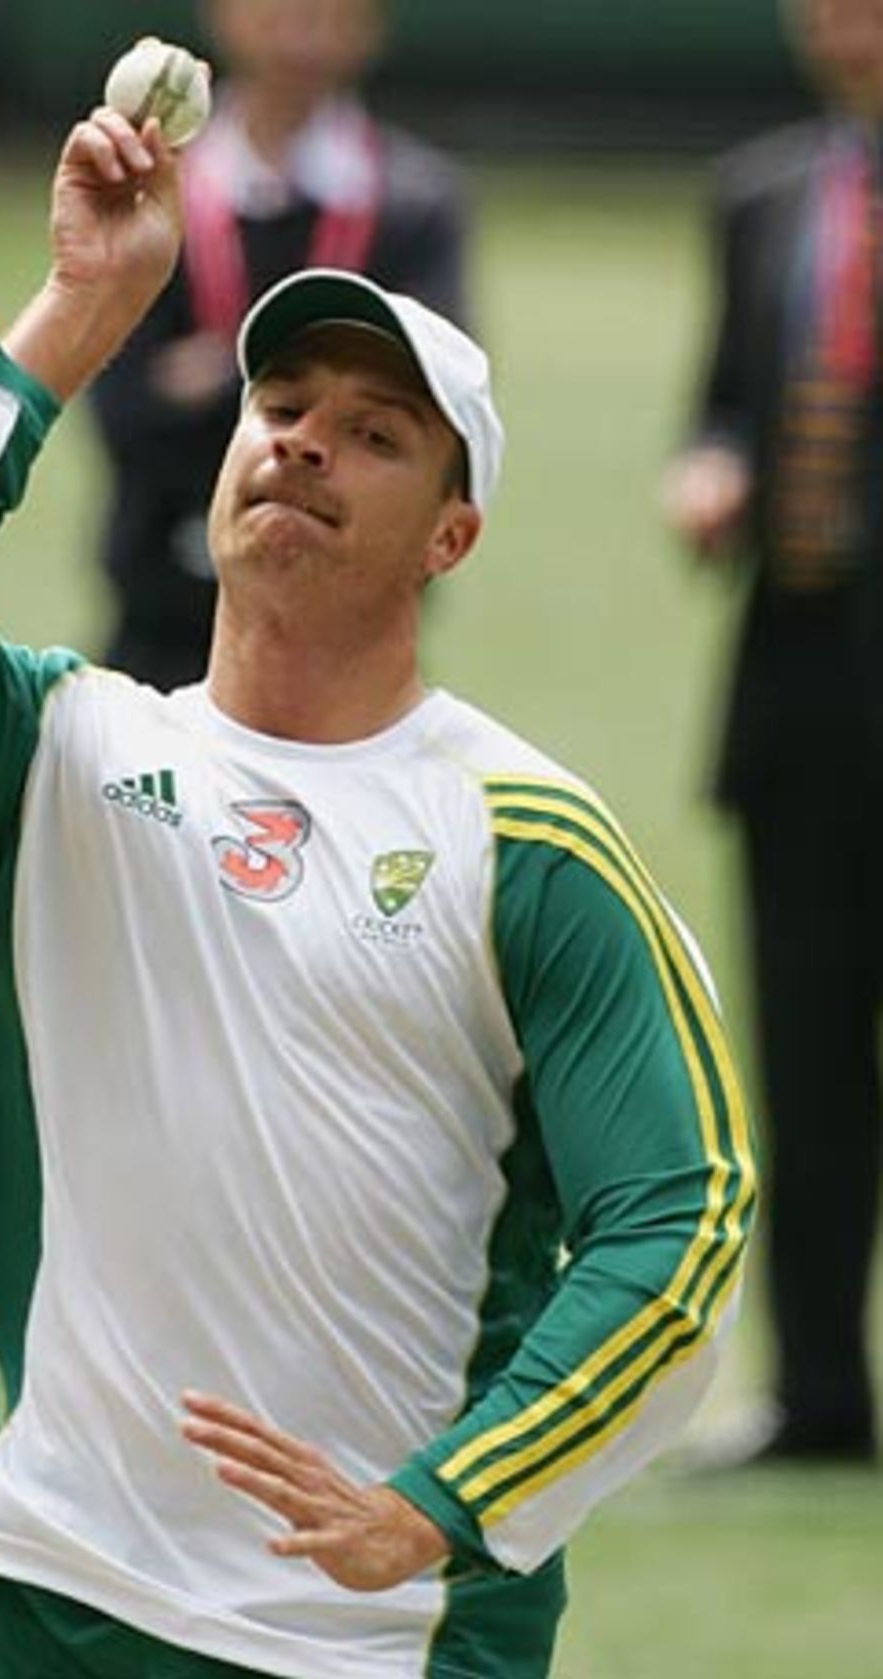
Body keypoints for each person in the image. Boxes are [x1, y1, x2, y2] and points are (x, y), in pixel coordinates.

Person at [0, 103, 754, 1679]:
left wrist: (449, 1499)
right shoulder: (63, 752)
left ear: (454, 531)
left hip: (358, 1633)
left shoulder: (532, 839)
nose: (300, 439)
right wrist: (84, 308)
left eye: (374, 433)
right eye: (280, 405)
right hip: (30, 1581)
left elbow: (681, 1221)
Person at [661, 0, 883, 1467]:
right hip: (800, 700)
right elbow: (724, 405)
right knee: (804, 1062)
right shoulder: (761, 193)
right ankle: (819, 1398)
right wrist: (711, 469)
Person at [88, 0, 471, 690]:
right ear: (223, 15)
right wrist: (346, 408)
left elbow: (433, 416)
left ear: (371, 26)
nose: (303, 23)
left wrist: (213, 380)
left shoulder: (415, 201)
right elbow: (123, 412)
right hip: (159, 620)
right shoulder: (155, 183)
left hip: (344, 650)